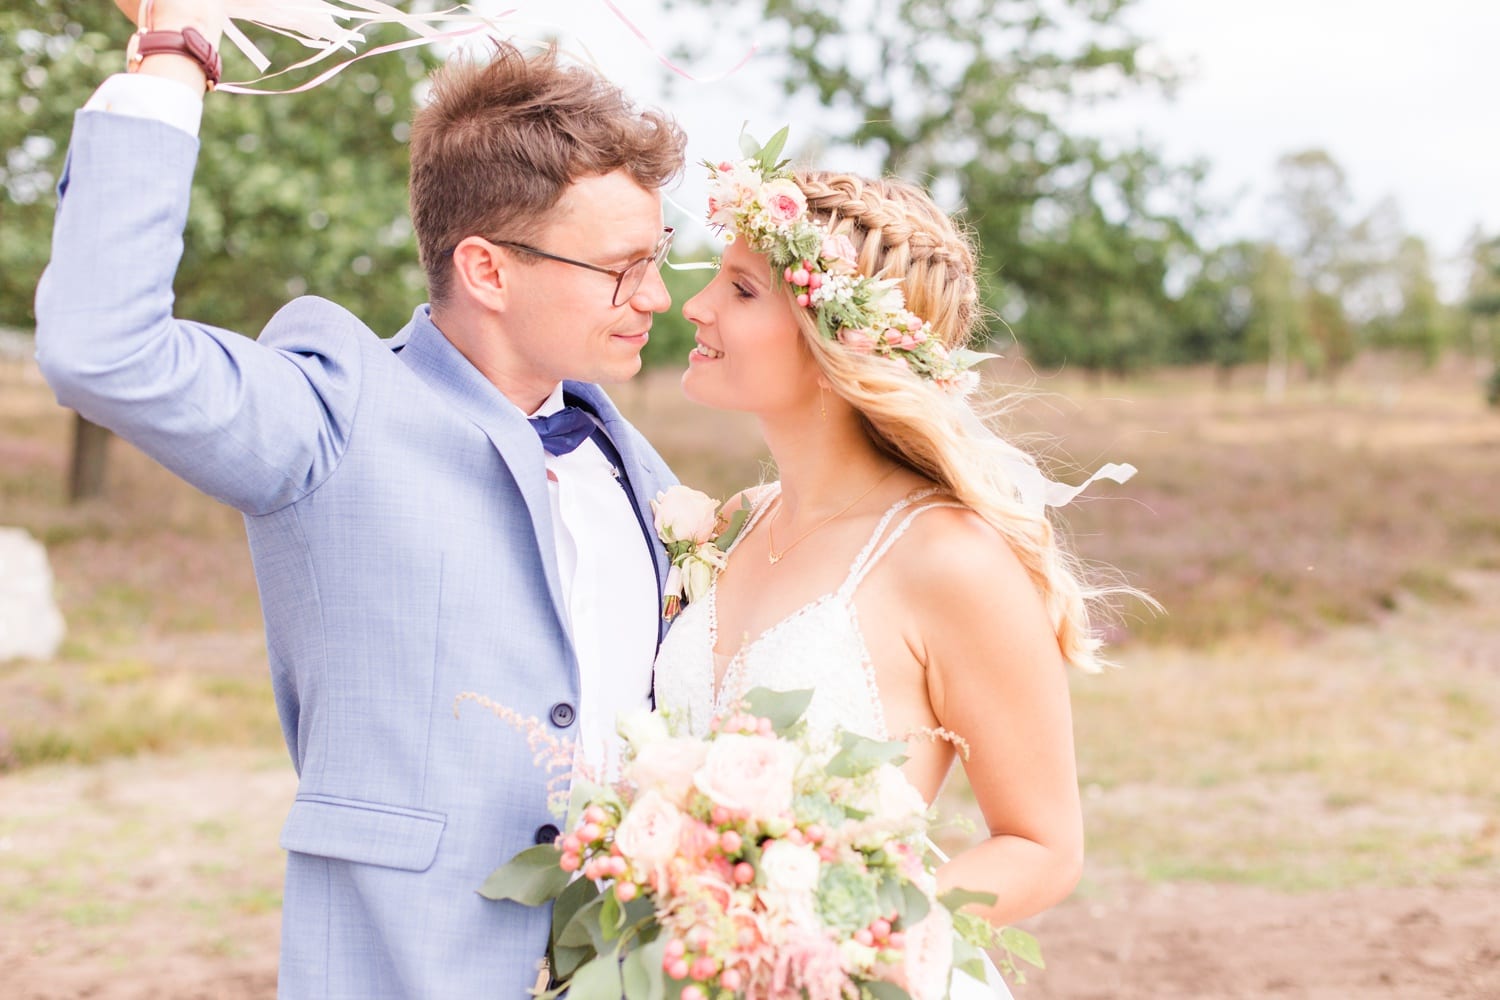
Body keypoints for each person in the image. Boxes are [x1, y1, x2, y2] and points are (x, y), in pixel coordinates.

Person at [34, 2, 686, 996]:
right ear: (486, 268)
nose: (656, 297)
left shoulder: (636, 462)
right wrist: (177, 47)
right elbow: (103, 348)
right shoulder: (333, 411)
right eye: (622, 269)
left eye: (659, 257)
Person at [654, 141, 1130, 994]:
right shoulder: (722, 529)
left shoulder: (949, 560)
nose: (695, 306)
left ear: (837, 333)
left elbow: (1043, 846)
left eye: (739, 287)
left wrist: (831, 936)